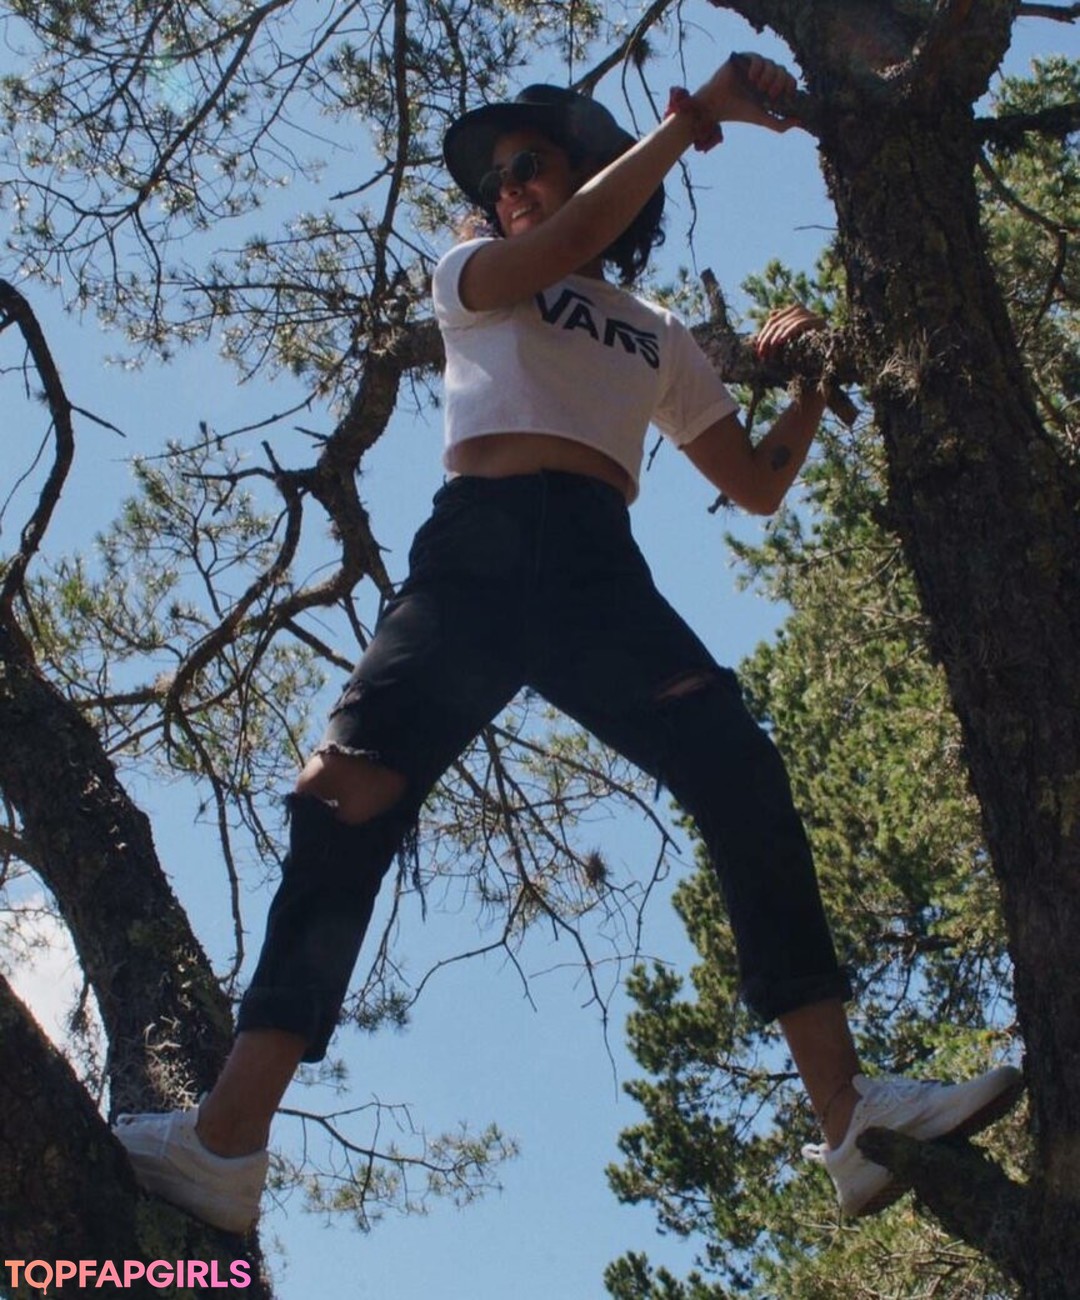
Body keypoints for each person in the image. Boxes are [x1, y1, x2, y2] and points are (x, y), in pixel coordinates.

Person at [114, 53, 1023, 1235]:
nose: (506, 188)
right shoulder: (473, 276)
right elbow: (565, 240)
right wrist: (692, 120)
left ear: (589, 168)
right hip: (478, 551)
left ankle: (848, 1118)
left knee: (741, 771)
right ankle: (227, 1144)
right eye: (495, 177)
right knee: (345, 794)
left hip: (597, 570)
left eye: (528, 163)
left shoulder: (656, 335)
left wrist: (810, 378)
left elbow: (753, 484)